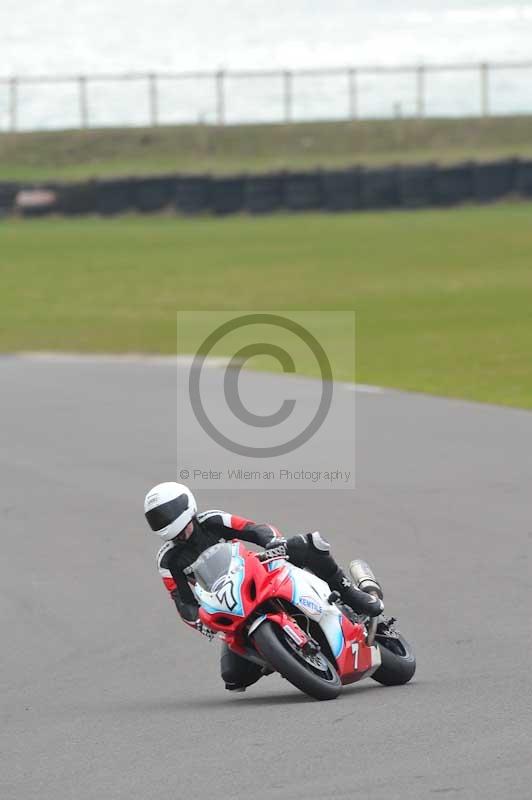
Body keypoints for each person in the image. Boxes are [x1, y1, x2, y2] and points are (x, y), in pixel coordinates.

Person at [145, 481, 384, 692]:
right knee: (233, 677)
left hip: (252, 573)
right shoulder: (167, 560)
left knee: (307, 545)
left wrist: (272, 542)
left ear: (188, 509)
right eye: (158, 519)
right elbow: (183, 601)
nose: (178, 535)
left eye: (169, 517)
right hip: (227, 604)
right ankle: (280, 654)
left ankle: (350, 594)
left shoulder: (212, 520)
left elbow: (253, 529)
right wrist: (200, 622)